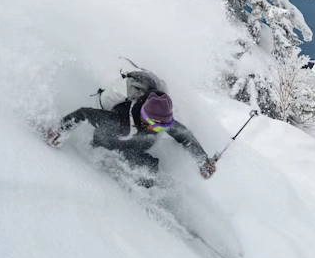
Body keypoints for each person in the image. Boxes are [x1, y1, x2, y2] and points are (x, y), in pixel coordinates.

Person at [45, 71, 216, 182]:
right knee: (118, 157)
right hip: (109, 143)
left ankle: (144, 192)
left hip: (132, 145)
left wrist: (203, 161)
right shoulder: (118, 121)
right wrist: (59, 130)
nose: (158, 130)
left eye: (162, 127)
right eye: (155, 127)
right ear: (145, 118)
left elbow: (184, 135)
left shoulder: (159, 121)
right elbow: (83, 113)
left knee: (150, 171)